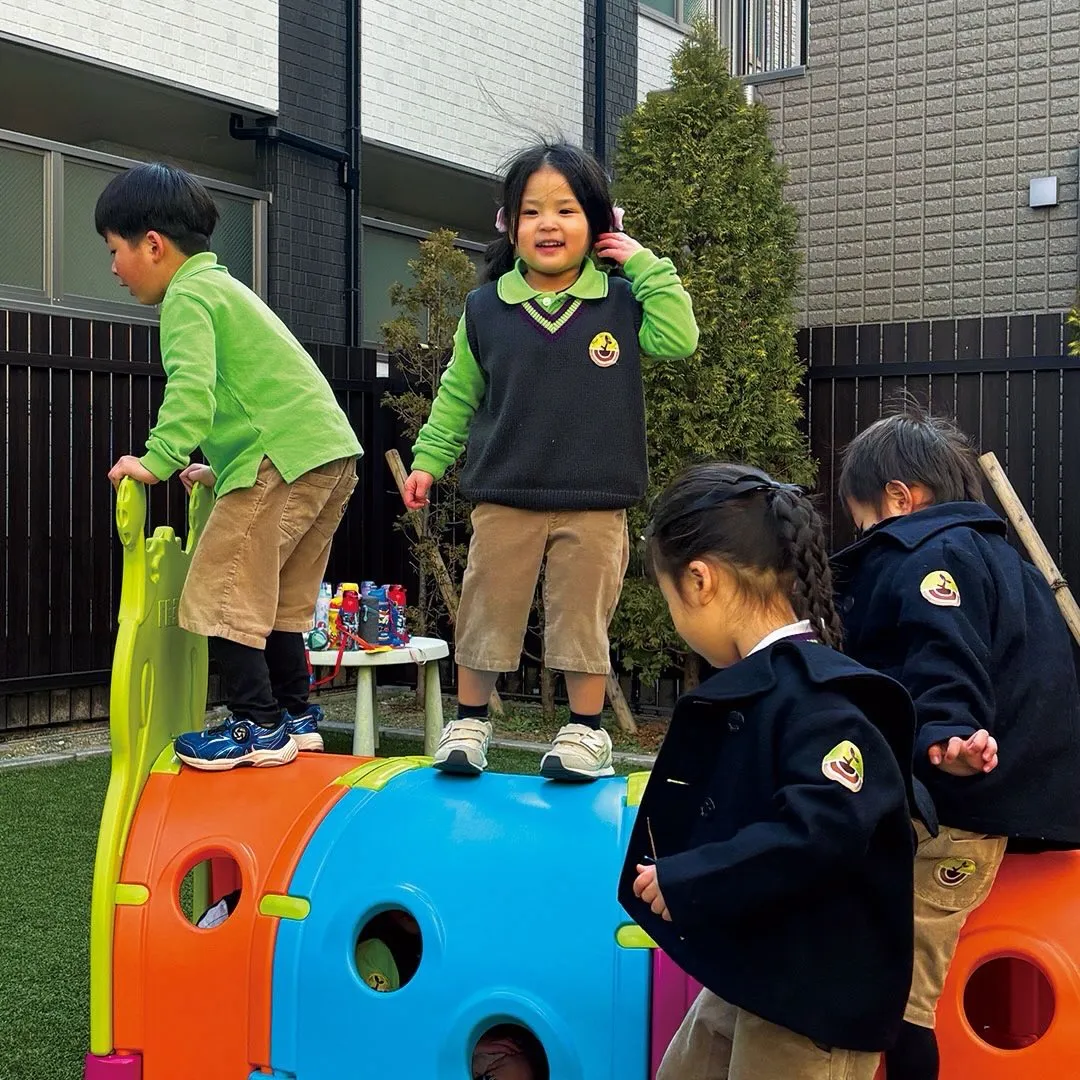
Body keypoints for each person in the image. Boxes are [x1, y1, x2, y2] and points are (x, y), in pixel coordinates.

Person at [619, 462, 929, 1080]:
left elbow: (824, 828)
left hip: (814, 1003)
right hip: (752, 975)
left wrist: (699, 876)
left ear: (700, 580)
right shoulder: (766, 686)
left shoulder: (824, 701)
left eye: (669, 598)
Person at [403, 141, 698, 781]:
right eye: (532, 211)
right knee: (487, 607)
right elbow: (459, 392)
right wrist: (429, 459)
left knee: (582, 618)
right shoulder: (485, 310)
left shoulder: (620, 304)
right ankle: (471, 722)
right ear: (510, 226)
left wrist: (644, 264)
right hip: (504, 494)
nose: (548, 224)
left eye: (565, 210)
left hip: (595, 499)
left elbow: (680, 338)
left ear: (598, 223)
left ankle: (585, 734)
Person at [831, 405, 1080, 1080]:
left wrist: (945, 734)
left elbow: (946, 655)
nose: (869, 538)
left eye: (866, 526)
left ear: (901, 499)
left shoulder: (930, 560)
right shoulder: (1009, 564)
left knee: (901, 991)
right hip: (992, 797)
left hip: (962, 809)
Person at [97, 163, 361, 770]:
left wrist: (156, 460)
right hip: (324, 451)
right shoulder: (227, 289)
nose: (113, 267)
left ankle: (255, 726)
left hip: (285, 456)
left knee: (224, 587)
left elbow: (194, 389)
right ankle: (297, 716)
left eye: (115, 250)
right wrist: (222, 469)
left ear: (153, 245)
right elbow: (257, 394)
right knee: (276, 601)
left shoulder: (187, 297)